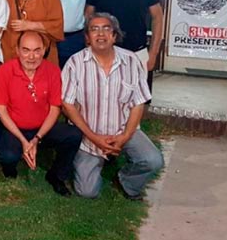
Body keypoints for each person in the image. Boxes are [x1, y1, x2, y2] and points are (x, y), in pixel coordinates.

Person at [62, 13, 164, 200]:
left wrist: (125, 136)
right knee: (87, 192)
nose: (100, 34)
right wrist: (94, 137)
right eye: (94, 29)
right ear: (87, 37)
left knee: (153, 160)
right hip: (89, 135)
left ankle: (127, 181)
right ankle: (97, 163)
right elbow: (67, 105)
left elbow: (138, 103)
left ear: (115, 35)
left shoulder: (131, 61)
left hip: (123, 129)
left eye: (106, 29)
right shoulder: (75, 63)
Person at [0, 31, 82, 196]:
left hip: (43, 128)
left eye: (36, 50)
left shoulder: (53, 71)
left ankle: (57, 176)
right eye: (26, 50)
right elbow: (2, 110)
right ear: (17, 50)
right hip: (14, 128)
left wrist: (36, 139)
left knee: (74, 135)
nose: (31, 57)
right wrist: (23, 141)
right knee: (8, 155)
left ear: (43, 51)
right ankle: (10, 170)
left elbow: (55, 108)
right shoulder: (5, 71)